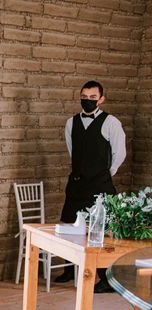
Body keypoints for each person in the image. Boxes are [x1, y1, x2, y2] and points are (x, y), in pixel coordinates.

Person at [55, 80, 126, 293]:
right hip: (77, 182)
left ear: (101, 99)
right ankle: (70, 269)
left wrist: (104, 174)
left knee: (100, 230)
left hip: (100, 184)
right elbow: (72, 149)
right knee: (69, 224)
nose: (87, 101)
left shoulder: (111, 122)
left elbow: (119, 153)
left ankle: (106, 278)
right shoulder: (71, 122)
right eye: (84, 97)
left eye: (92, 98)